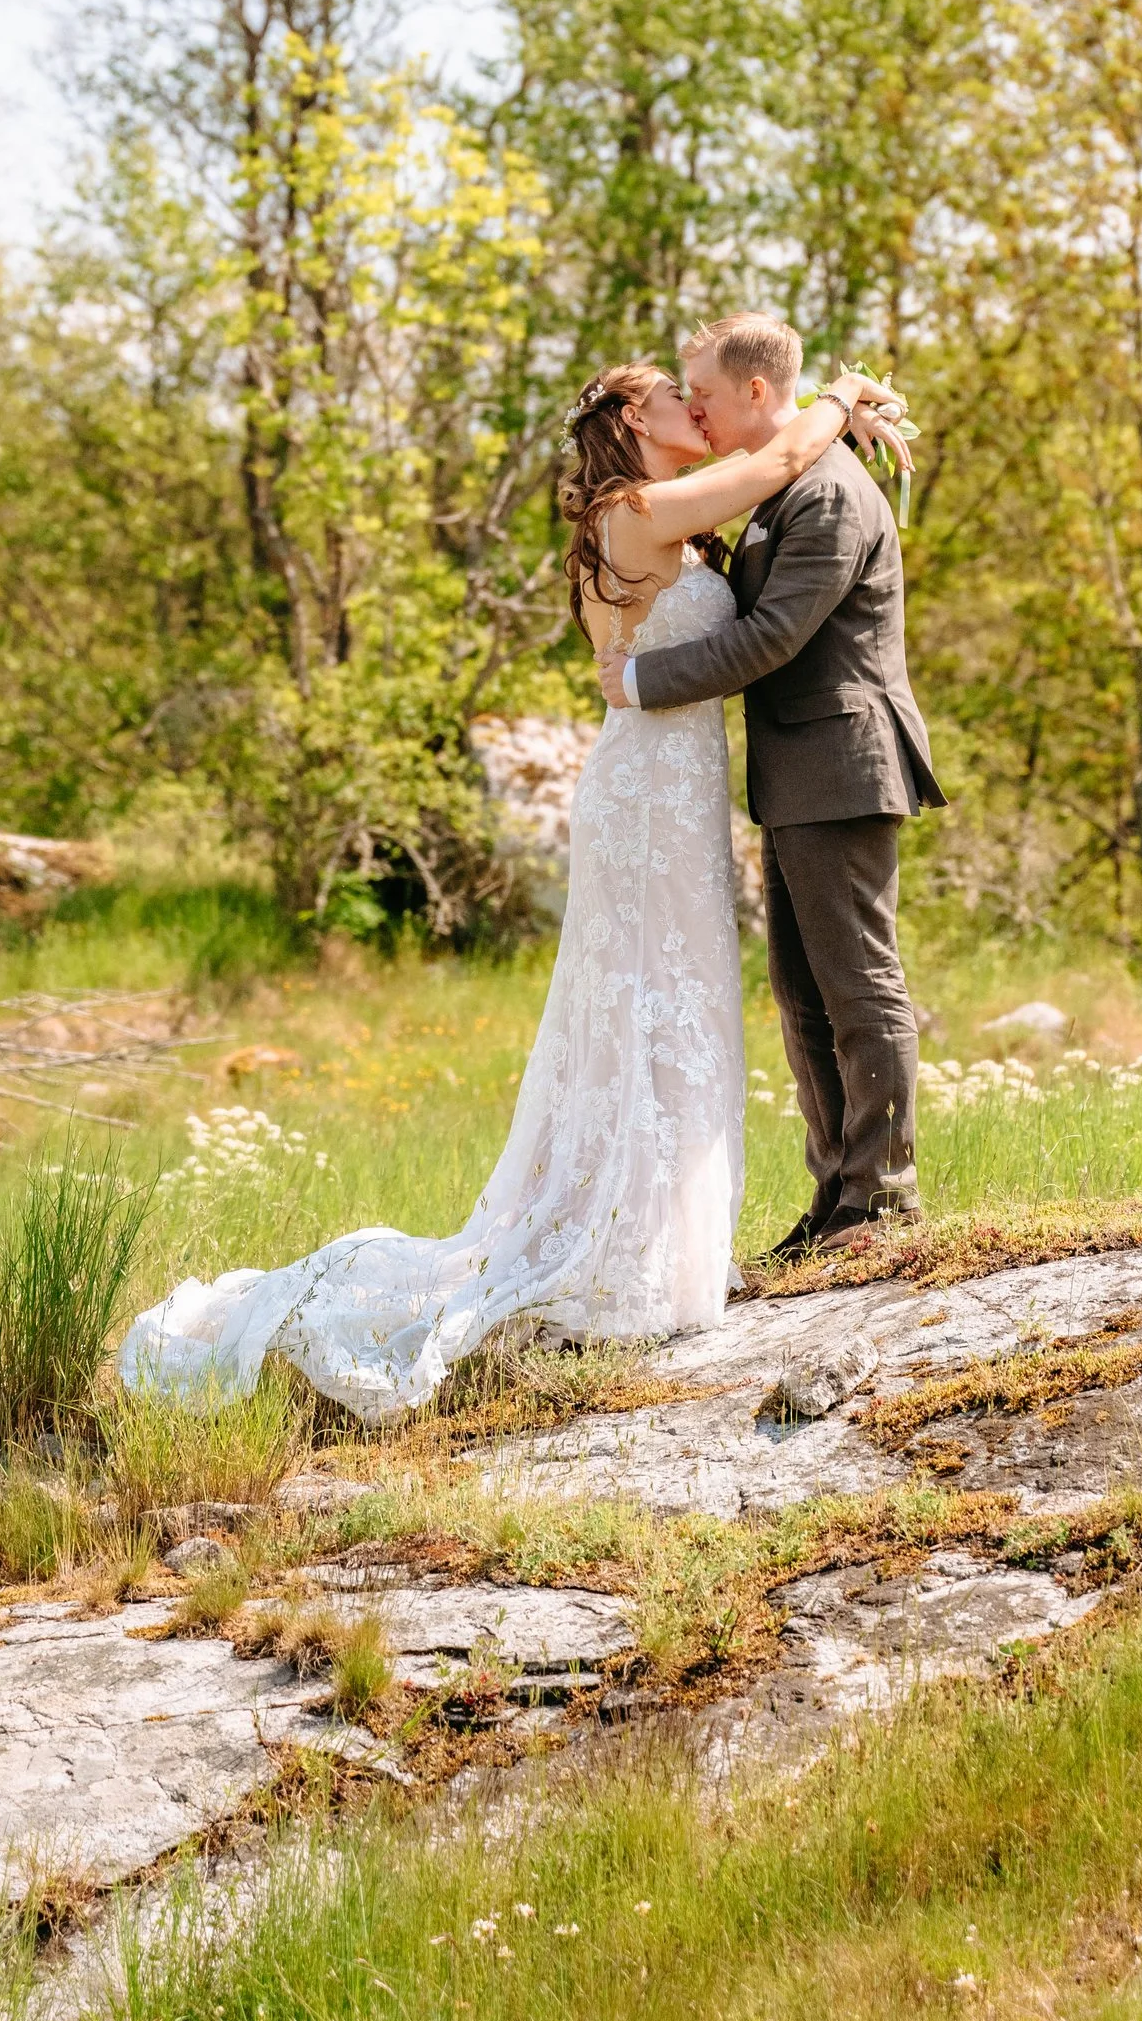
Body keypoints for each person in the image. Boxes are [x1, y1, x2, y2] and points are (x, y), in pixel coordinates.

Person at [119, 348, 905, 1422]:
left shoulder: (663, 507)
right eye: (676, 397)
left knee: (672, 1005)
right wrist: (835, 402)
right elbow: (780, 459)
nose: (694, 407)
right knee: (643, 1002)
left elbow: (774, 481)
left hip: (674, 789)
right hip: (645, 793)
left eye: (701, 390)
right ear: (631, 422)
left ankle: (681, 1233)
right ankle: (626, 1239)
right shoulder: (638, 509)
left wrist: (822, 413)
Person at [596, 313, 943, 1256]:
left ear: (756, 392)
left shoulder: (827, 495)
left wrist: (638, 683)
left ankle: (883, 1199)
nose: (696, 410)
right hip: (796, 773)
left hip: (842, 762)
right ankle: (837, 1195)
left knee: (859, 985)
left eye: (702, 393)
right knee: (802, 992)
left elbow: (771, 639)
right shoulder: (780, 490)